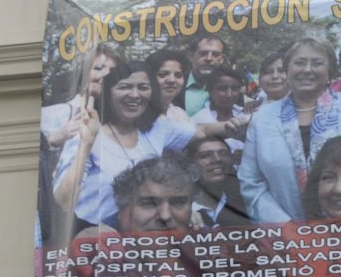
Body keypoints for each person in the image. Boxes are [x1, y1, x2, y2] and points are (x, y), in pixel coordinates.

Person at [52, 59, 234, 232]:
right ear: (109, 93)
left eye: (143, 88)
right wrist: (86, 143)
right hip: (90, 238)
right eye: (124, 87)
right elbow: (62, 202)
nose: (134, 94)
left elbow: (201, 131)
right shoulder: (87, 131)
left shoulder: (158, 128)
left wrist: (246, 123)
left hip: (139, 239)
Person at [238, 38, 341, 222]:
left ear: (330, 71)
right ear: (287, 70)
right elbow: (251, 183)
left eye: (317, 63)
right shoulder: (262, 119)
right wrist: (287, 229)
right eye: (299, 63)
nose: (307, 69)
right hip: (286, 238)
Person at [112, 152, 200, 232]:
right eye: (150, 203)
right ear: (122, 210)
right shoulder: (100, 240)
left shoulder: (205, 238)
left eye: (177, 203)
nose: (165, 216)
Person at [188, 135, 252, 226]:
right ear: (191, 164)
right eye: (205, 156)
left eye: (223, 153)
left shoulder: (247, 202)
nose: (217, 159)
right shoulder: (178, 206)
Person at [191, 65, 251, 156]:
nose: (229, 94)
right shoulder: (198, 121)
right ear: (210, 90)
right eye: (222, 89)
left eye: (234, 89)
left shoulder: (247, 115)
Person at [184, 34, 227, 116]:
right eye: (203, 53)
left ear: (222, 59)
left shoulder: (230, 88)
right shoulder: (176, 85)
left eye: (215, 54)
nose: (209, 58)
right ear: (191, 56)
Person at [147, 47, 193, 123]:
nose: (172, 80)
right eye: (162, 75)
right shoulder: (138, 114)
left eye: (178, 75)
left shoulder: (180, 114)